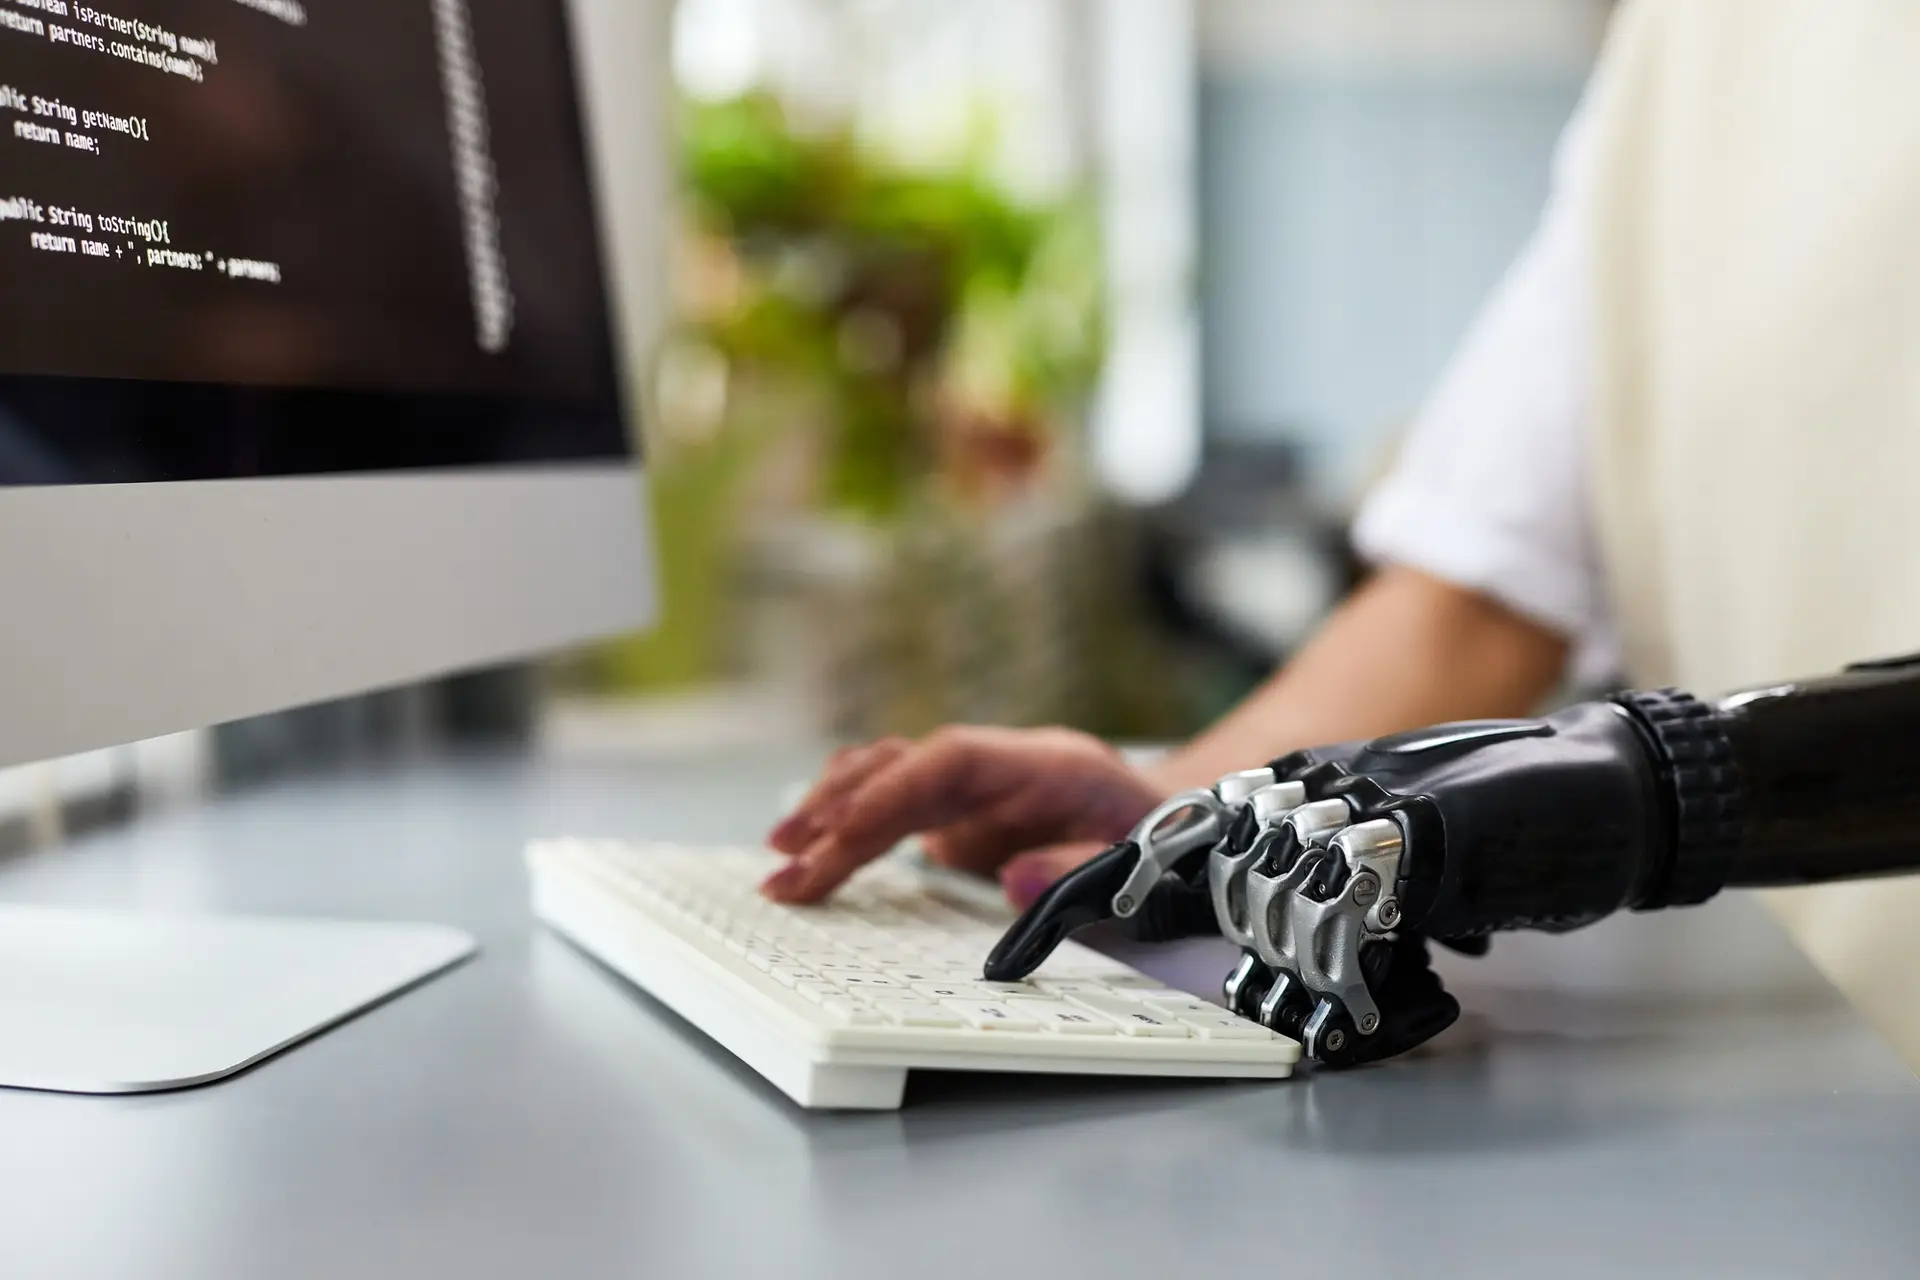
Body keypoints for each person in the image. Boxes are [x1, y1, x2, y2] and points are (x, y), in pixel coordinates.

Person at [760, 0, 1920, 1065]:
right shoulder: (1698, 39)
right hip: (1794, 1076)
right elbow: (1477, 591)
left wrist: (1636, 795)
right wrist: (1185, 808)